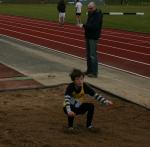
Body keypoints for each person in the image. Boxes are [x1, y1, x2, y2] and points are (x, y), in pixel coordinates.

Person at [79, 2, 103, 78]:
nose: (89, 10)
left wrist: (83, 25)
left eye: (91, 8)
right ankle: (89, 70)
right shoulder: (90, 13)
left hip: (93, 37)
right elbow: (89, 24)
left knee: (93, 55)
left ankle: (94, 73)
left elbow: (94, 26)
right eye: (88, 8)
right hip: (88, 36)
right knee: (88, 55)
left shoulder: (98, 15)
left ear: (95, 7)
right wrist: (85, 26)